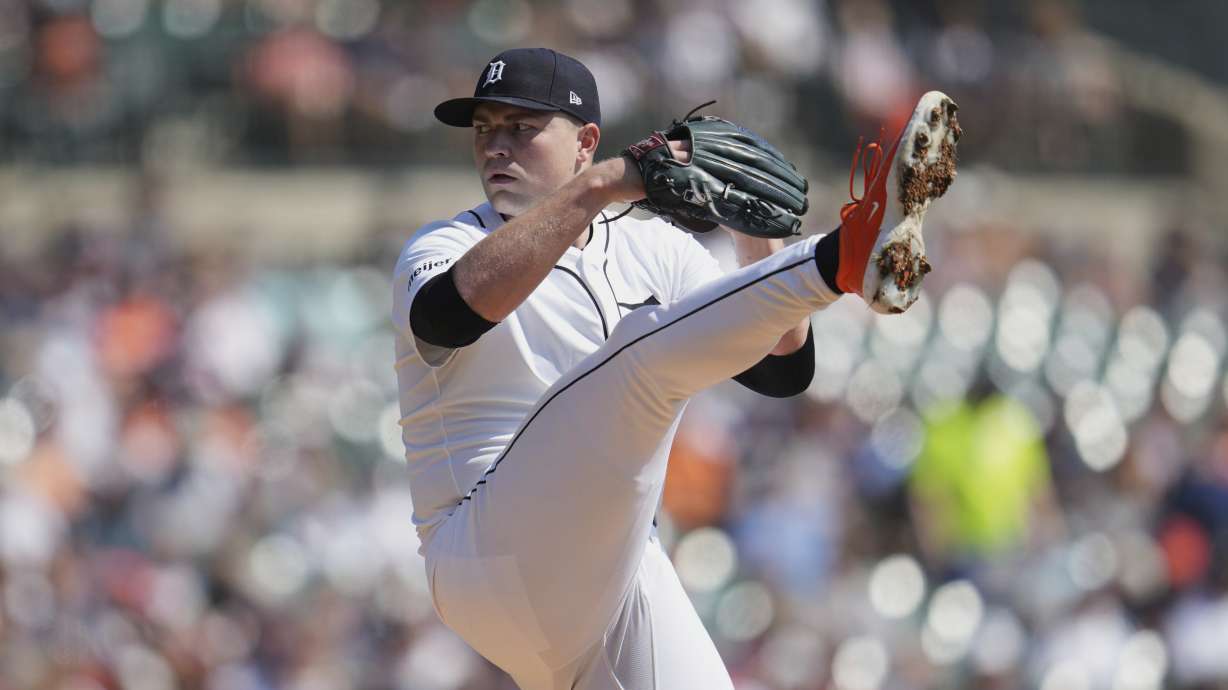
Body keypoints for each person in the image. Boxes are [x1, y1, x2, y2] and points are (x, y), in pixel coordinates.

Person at [392, 47, 959, 690]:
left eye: (521, 128)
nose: (496, 145)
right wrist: (605, 183)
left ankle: (839, 258)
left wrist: (758, 233)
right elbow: (446, 319)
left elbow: (781, 367)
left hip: (616, 571)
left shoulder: (651, 247)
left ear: (585, 141)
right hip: (485, 551)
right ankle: (844, 255)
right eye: (484, 128)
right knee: (639, 359)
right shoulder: (447, 245)